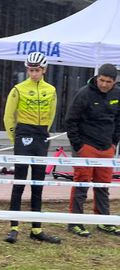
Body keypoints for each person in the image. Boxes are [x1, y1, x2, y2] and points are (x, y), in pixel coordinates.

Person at [3, 52, 60, 244]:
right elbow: (8, 116)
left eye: (37, 70)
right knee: (19, 183)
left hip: (41, 135)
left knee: (38, 184)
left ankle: (37, 229)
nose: (33, 74)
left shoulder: (51, 90)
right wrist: (15, 139)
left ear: (44, 70)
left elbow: (51, 115)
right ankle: (13, 228)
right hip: (23, 134)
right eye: (31, 70)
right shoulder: (18, 89)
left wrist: (43, 133)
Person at [65, 63, 120, 237]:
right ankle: (75, 222)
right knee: (81, 184)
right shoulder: (84, 94)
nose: (104, 84)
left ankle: (104, 221)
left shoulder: (118, 94)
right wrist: (78, 146)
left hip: (107, 147)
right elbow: (70, 120)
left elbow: (118, 120)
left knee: (103, 185)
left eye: (108, 82)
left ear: (114, 82)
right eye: (101, 80)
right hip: (86, 146)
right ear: (97, 77)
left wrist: (114, 142)